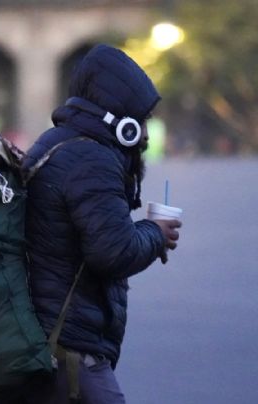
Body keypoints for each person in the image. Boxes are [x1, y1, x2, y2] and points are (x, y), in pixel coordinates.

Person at [21, 44, 182, 403]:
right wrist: (156, 232)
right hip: (70, 346)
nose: (145, 134)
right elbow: (114, 251)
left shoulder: (58, 143)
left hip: (44, 337)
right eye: (142, 121)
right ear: (121, 123)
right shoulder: (91, 160)